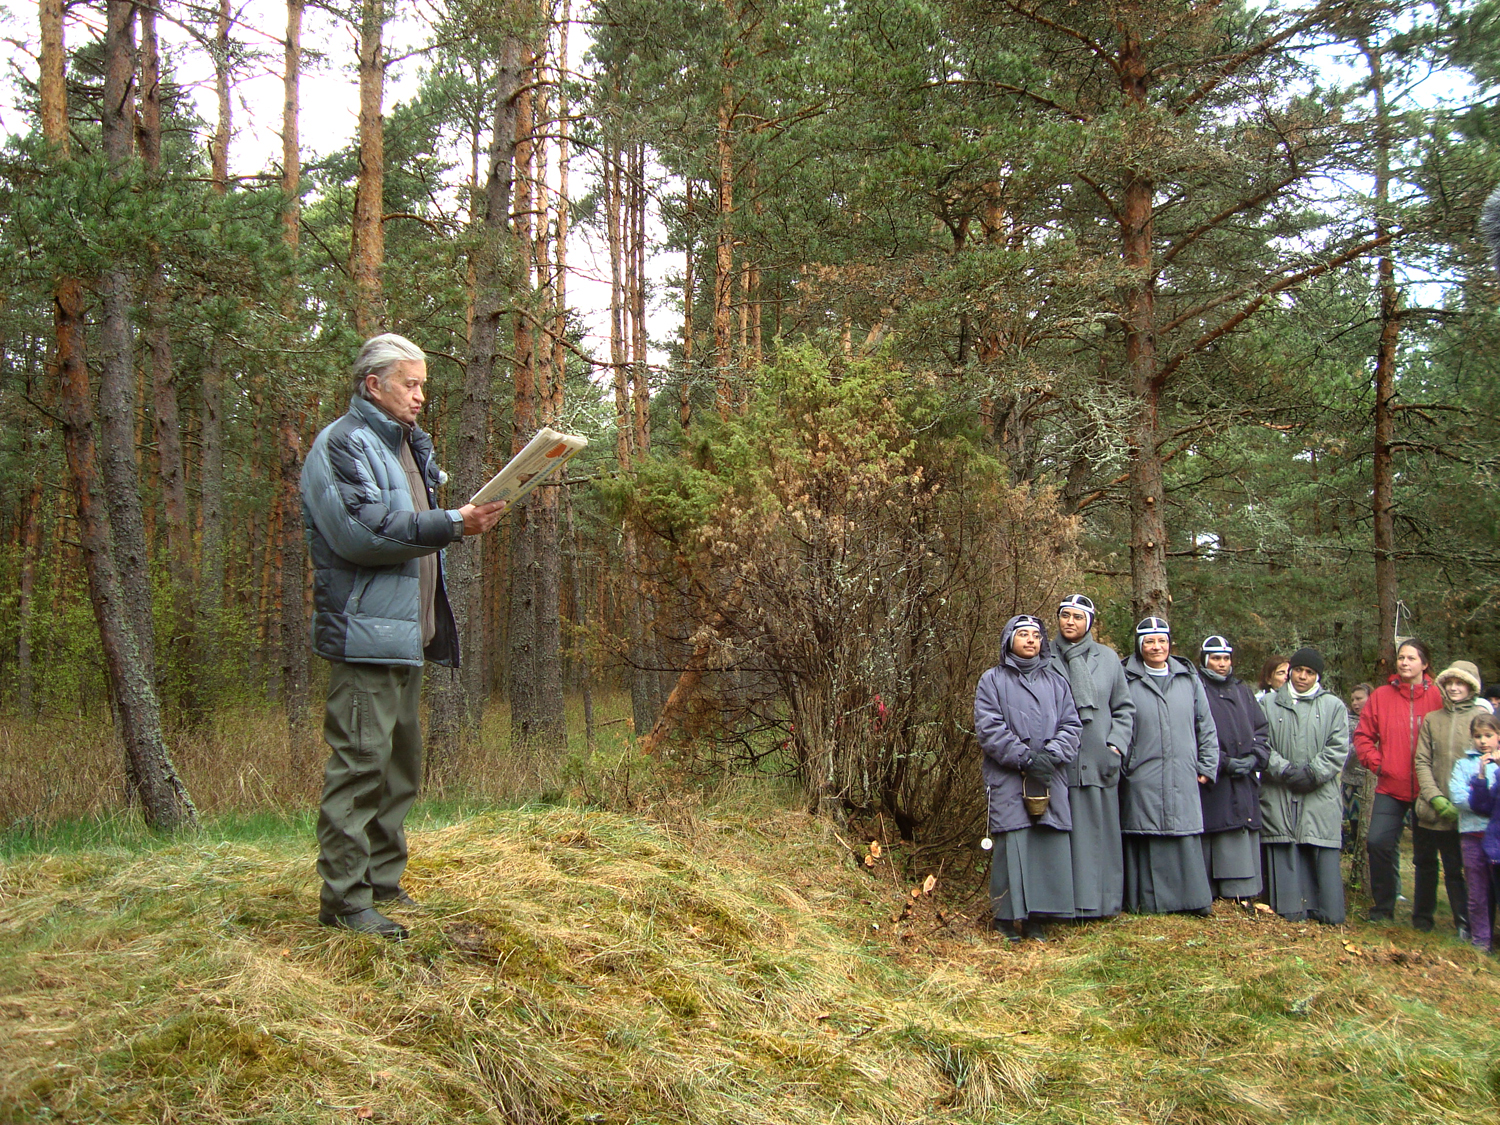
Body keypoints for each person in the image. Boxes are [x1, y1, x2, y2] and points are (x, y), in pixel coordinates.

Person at [301, 333, 508, 938]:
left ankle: (381, 884)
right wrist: (453, 522)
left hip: (405, 636)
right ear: (374, 385)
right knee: (360, 768)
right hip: (364, 637)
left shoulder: (406, 447)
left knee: (398, 771)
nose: (420, 396)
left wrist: (460, 521)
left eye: (423, 386)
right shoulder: (344, 443)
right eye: (409, 384)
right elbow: (361, 531)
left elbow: (411, 527)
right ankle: (344, 902)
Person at [975, 615, 1083, 941]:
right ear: (1010, 640)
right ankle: (1006, 920)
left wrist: (1050, 756)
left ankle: (1039, 918)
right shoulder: (992, 681)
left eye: (1036, 635)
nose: (1031, 640)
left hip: (1050, 776)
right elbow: (989, 728)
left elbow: (1072, 725)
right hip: (1009, 777)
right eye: (1023, 634)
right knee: (1013, 845)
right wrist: (1024, 758)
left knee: (1046, 845)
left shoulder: (1057, 682)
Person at [1120, 617, 1220, 915]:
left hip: (1183, 772)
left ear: (1169, 644)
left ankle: (1191, 901)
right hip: (1142, 773)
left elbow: (1205, 724)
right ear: (1139, 645)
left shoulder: (1188, 678)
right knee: (1146, 830)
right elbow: (1119, 723)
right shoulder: (1126, 678)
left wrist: (1207, 765)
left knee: (1183, 832)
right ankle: (1149, 902)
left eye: (1162, 641)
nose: (1156, 647)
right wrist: (1126, 765)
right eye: (1149, 641)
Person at [1048, 593, 1135, 919]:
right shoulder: (1044, 656)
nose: (1070, 622)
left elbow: (1124, 708)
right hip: (1059, 762)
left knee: (1099, 836)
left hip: (1099, 761)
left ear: (1090, 623)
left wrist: (1115, 746)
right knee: (1062, 836)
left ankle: (1101, 903)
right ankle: (1062, 904)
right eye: (1065, 615)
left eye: (1078, 617)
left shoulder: (1108, 659)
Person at [1353, 638, 1444, 925]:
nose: (1404, 662)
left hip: (1427, 788)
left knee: (1425, 855)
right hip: (1391, 785)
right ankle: (1383, 908)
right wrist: (1378, 764)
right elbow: (1363, 736)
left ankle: (1423, 917)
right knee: (1378, 842)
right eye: (1401, 657)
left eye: (1411, 658)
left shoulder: (1438, 696)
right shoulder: (1381, 695)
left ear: (1424, 664)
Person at [1258, 647, 1349, 924]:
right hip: (1279, 791)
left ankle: (1326, 910)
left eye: (1309, 672)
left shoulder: (1333, 706)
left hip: (1319, 792)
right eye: (1298, 670)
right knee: (1283, 843)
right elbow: (1260, 743)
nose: (1302, 676)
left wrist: (1313, 773)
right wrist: (1284, 770)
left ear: (1317, 676)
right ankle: (1289, 908)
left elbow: (1338, 747)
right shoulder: (1268, 704)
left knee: (1318, 844)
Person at [1195, 636, 1270, 904]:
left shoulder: (1243, 691)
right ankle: (1216, 893)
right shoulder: (1197, 688)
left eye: (1226, 658)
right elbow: (1194, 733)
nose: (1222, 664)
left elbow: (1261, 729)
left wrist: (1255, 757)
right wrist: (1222, 762)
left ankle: (1242, 894)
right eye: (1216, 658)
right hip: (1214, 781)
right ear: (1205, 660)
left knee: (1241, 830)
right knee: (1217, 832)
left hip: (1244, 780)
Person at [1412, 661, 1482, 940]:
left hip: (1468, 811)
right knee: (1424, 863)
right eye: (1449, 682)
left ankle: (1465, 923)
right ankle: (1421, 919)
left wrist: (1467, 801)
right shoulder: (1433, 719)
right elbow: (1422, 760)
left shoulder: (1481, 718)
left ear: (1471, 687)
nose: (1453, 688)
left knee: (1457, 869)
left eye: (1460, 683)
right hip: (1431, 809)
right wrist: (1434, 796)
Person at [1449, 713, 1500, 952]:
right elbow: (1457, 796)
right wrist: (1487, 805)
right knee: (1477, 890)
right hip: (1472, 834)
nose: (1483, 741)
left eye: (1488, 735)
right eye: (1478, 736)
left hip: (1497, 835)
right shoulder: (1463, 765)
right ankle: (1481, 940)